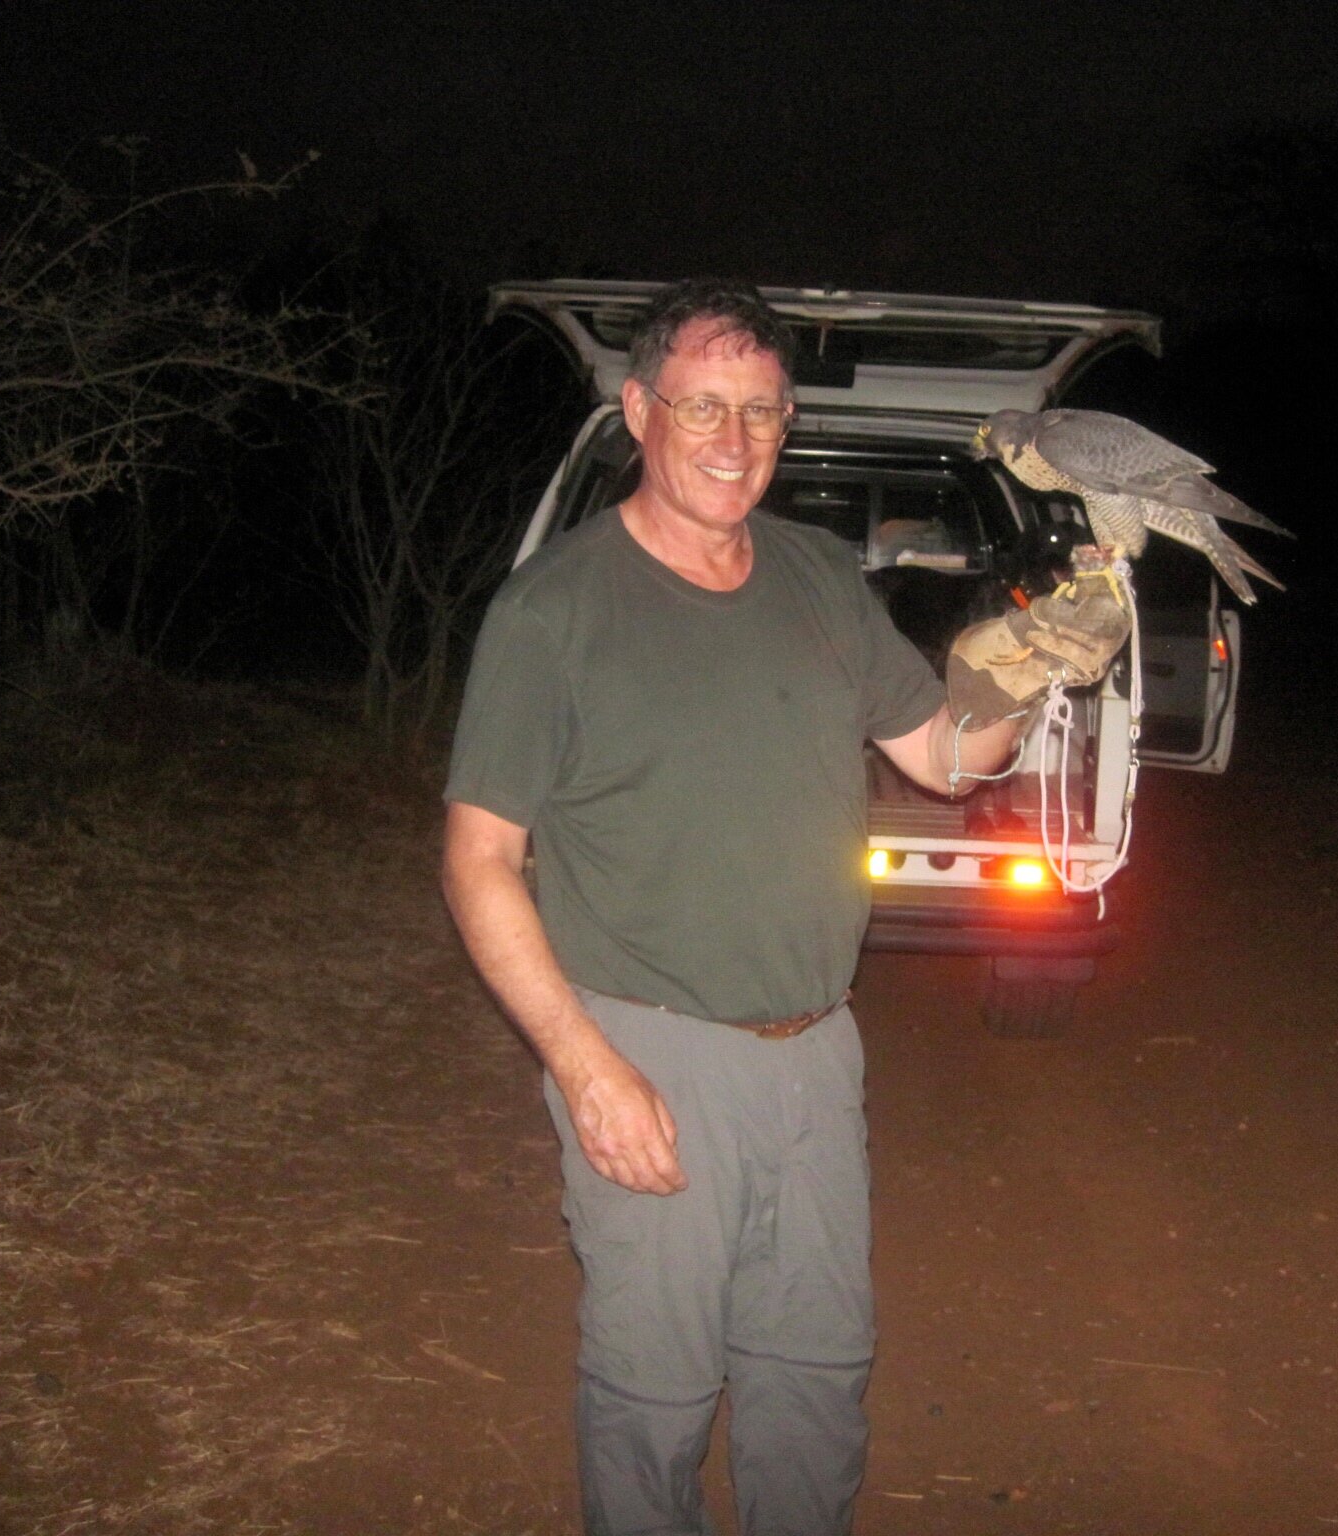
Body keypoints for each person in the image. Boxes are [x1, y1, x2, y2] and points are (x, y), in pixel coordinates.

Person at [440, 278, 1030, 1536]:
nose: (731, 439)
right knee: (655, 1396)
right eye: (703, 406)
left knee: (814, 1376)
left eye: (761, 412)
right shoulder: (556, 611)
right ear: (641, 410)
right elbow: (479, 860)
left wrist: (1026, 669)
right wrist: (585, 1068)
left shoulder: (818, 577)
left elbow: (946, 755)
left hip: (817, 1053)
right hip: (648, 1047)